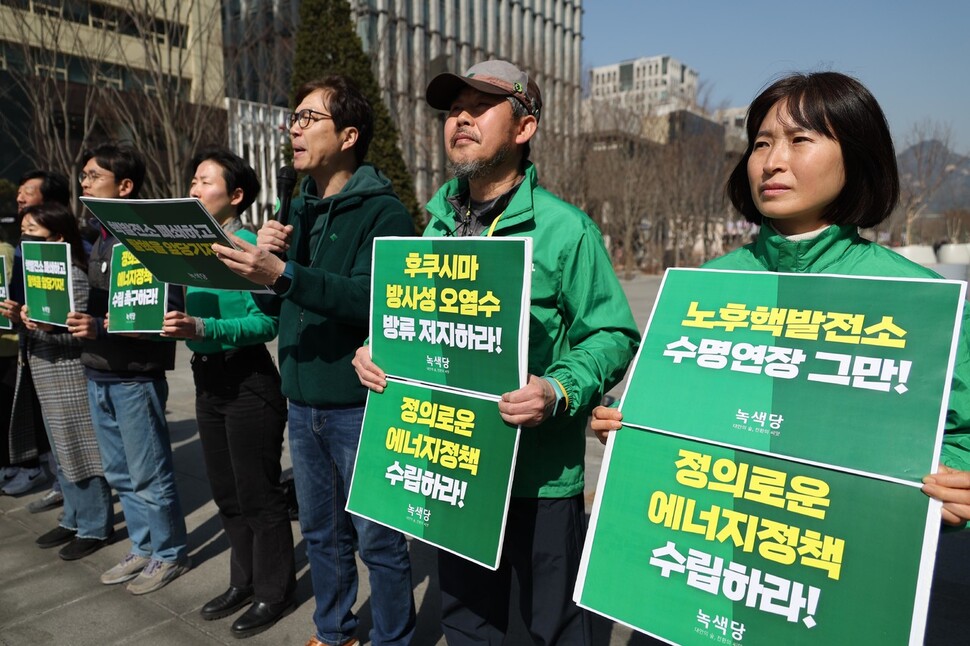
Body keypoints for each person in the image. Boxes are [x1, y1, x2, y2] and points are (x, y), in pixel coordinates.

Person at [591, 72, 970, 527]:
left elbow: (958, 435)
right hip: (715, 543)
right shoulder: (703, 286)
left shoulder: (921, 298)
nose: (772, 162)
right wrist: (629, 429)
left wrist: (956, 481)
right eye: (762, 144)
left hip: (840, 550)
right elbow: (671, 414)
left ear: (858, 156)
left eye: (800, 139)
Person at [352, 59, 641, 645]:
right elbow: (414, 329)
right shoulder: (432, 228)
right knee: (466, 622)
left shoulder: (567, 231)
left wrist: (558, 390)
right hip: (454, 467)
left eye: (480, 106)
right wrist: (375, 351)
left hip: (541, 480)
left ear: (524, 127)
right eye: (453, 107)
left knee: (554, 629)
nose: (460, 116)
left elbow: (612, 336)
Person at [212, 75, 417, 646]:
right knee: (323, 535)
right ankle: (333, 632)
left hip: (359, 406)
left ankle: (394, 638)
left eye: (308, 119)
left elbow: (369, 298)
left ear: (349, 135)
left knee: (378, 540)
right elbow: (277, 305)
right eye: (293, 119)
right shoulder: (294, 207)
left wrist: (285, 273)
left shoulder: (385, 215)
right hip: (300, 402)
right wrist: (263, 266)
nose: (294, 129)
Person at [162, 148, 295, 638]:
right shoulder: (189, 249)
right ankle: (244, 582)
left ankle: (274, 592)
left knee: (259, 495)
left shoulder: (246, 247)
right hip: (206, 381)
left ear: (236, 195)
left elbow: (266, 321)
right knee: (226, 495)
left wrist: (202, 324)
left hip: (249, 384)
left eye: (205, 181)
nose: (194, 189)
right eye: (192, 181)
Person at [67, 142, 190, 594]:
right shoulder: (98, 236)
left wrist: (97, 324)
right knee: (120, 473)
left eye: (93, 175)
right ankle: (142, 547)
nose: (84, 182)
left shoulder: (149, 239)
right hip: (98, 371)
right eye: (83, 175)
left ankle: (169, 552)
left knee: (149, 472)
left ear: (124, 185)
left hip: (135, 376)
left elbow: (161, 314)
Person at [0, 203, 113, 560]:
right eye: (23, 231)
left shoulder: (74, 276)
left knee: (81, 451)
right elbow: (37, 325)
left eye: (34, 231)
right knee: (60, 454)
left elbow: (79, 334)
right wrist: (18, 317)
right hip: (42, 373)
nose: (25, 238)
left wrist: (45, 330)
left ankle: (95, 525)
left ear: (58, 237)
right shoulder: (32, 273)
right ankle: (73, 518)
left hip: (68, 376)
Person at [2, 170, 71, 498]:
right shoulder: (21, 247)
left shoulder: (72, 252)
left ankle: (61, 485)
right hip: (28, 345)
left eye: (28, 191)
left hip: (62, 356)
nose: (19, 197)